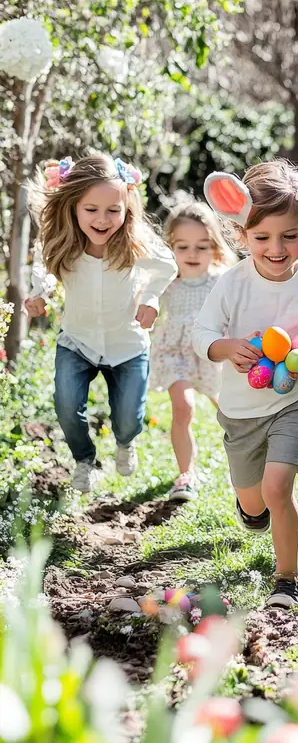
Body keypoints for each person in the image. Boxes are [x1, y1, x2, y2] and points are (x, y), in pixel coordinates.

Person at [193, 159, 298, 608]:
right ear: (242, 235)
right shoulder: (231, 285)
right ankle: (252, 509)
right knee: (255, 501)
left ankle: (286, 581)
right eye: (262, 238)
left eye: (289, 236)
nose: (276, 248)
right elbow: (202, 334)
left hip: (294, 401)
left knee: (278, 487)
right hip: (241, 412)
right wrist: (226, 348)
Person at [25, 154, 177, 494]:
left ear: (126, 208)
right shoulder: (61, 243)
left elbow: (166, 267)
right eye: (91, 209)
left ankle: (125, 442)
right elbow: (44, 270)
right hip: (77, 341)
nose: (103, 219)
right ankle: (84, 460)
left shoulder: (136, 243)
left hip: (128, 345)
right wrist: (41, 293)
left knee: (127, 419)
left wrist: (150, 298)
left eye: (113, 210)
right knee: (65, 405)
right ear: (73, 207)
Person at [150, 199, 236, 501]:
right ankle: (186, 474)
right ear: (170, 247)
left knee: (232, 413)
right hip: (175, 354)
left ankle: (248, 462)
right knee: (183, 408)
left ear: (213, 246)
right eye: (182, 246)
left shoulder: (222, 281)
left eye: (201, 246)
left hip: (212, 353)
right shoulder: (165, 282)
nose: (192, 254)